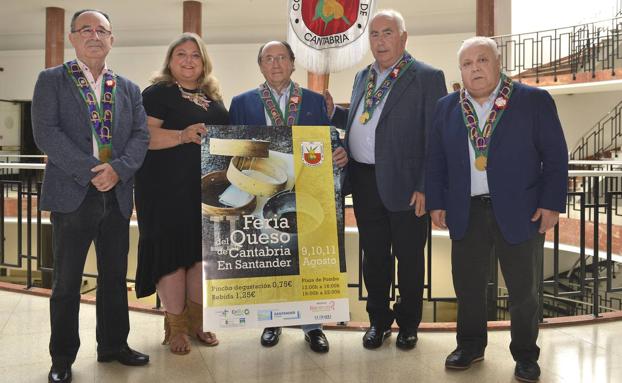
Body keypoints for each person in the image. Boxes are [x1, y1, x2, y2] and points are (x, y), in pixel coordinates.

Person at [425, 36, 568, 382]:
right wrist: (436, 202)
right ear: (460, 70)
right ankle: (470, 345)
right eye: (467, 64)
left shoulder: (533, 100)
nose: (475, 69)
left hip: (522, 211)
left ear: (498, 63)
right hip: (466, 210)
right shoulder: (446, 107)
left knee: (524, 290)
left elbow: (555, 155)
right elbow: (436, 160)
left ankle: (525, 355)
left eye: (482, 60)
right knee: (469, 286)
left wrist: (551, 204)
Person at [31, 9, 150, 383]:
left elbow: (141, 136)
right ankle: (62, 357)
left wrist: (118, 170)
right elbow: (46, 133)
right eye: (86, 29)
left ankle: (114, 345)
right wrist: (91, 170)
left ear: (112, 39)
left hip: (116, 195)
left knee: (115, 278)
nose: (94, 35)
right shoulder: (52, 80)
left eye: (102, 30)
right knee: (66, 282)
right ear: (73, 37)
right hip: (72, 193)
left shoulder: (128, 88)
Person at [325, 9, 447, 350]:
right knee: (374, 256)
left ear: (403, 37)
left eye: (387, 33)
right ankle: (378, 321)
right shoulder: (364, 75)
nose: (380, 40)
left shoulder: (426, 76)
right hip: (364, 180)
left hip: (409, 185)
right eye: (375, 34)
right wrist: (336, 112)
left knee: (409, 257)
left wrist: (427, 184)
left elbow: (435, 136)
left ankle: (408, 324)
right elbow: (367, 116)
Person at [228, 40, 348, 353]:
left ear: (293, 63)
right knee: (271, 254)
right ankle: (271, 321)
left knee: (307, 256)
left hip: (308, 188)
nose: (276, 63)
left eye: (282, 57)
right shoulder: (241, 102)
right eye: (268, 58)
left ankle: (314, 326)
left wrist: (340, 152)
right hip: (265, 187)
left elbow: (330, 138)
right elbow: (233, 146)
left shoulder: (313, 100)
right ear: (260, 66)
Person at [134, 33, 228, 355]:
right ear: (170, 61)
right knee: (172, 258)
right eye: (181, 55)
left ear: (204, 63)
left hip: (205, 193)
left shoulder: (213, 99)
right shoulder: (157, 94)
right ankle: (175, 328)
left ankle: (197, 323)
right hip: (163, 192)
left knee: (200, 259)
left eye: (195, 55)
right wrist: (182, 135)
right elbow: (143, 137)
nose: (188, 60)